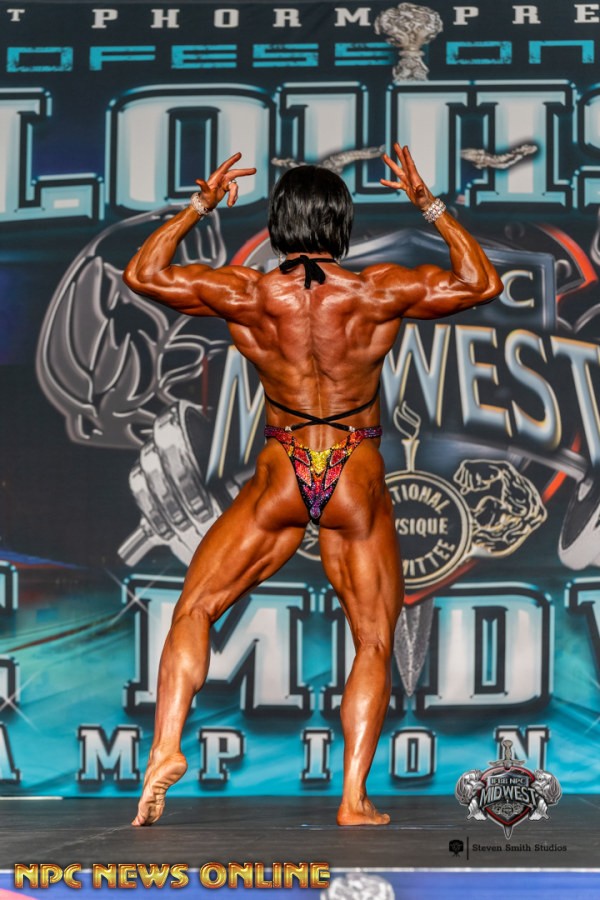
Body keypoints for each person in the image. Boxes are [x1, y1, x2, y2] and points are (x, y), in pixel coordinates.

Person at [123, 144, 502, 827]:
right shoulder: (374, 290)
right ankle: (353, 799)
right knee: (373, 640)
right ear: (341, 224)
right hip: (353, 470)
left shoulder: (248, 294)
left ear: (277, 224)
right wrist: (429, 205)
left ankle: (165, 747)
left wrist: (199, 205)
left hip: (283, 468)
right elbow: (480, 284)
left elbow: (143, 274)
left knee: (195, 609)